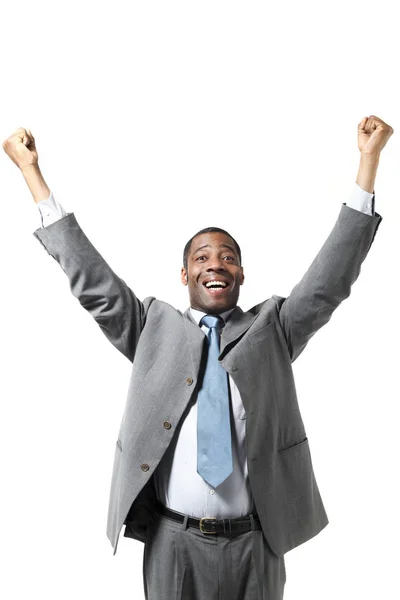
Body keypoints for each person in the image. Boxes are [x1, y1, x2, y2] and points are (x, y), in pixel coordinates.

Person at [3, 116, 393, 600]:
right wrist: (32, 175)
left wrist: (368, 162)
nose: (216, 264)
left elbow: (330, 279)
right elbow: (94, 283)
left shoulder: (273, 328)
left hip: (257, 543)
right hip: (173, 544)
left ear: (242, 275)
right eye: (204, 257)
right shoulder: (150, 327)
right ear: (184, 273)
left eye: (228, 257)